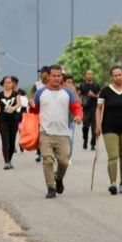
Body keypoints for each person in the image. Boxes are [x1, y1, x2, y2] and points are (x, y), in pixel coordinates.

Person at [33, 65, 83, 199]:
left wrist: (78, 116)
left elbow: (76, 106)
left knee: (64, 162)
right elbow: (34, 111)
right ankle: (50, 187)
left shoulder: (67, 92)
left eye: (58, 76)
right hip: (45, 132)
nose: (56, 78)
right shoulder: (40, 93)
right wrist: (31, 107)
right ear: (48, 76)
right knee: (47, 160)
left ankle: (58, 177)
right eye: (53, 76)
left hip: (63, 133)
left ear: (62, 77)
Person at [96, 66, 122, 195]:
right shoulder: (105, 91)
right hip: (109, 127)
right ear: (111, 77)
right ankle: (113, 183)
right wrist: (98, 125)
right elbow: (98, 109)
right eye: (115, 75)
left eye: (120, 75)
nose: (118, 77)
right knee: (113, 155)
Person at [0, 76, 23, 170]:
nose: (8, 84)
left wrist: (13, 108)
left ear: (12, 84)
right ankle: (6, 162)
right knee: (5, 141)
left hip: (14, 119)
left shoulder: (16, 93)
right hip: (3, 120)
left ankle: (9, 160)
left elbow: (19, 103)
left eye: (10, 82)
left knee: (12, 142)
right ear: (3, 84)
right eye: (6, 82)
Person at [78, 69, 101, 150]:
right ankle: (85, 140)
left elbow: (100, 96)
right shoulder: (82, 85)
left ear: (93, 75)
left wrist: (94, 95)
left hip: (94, 109)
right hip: (85, 109)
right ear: (85, 75)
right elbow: (78, 95)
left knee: (94, 127)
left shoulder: (96, 85)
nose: (89, 75)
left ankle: (93, 144)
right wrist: (80, 99)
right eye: (88, 74)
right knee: (85, 127)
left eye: (91, 74)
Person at [32, 66, 50, 162]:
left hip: (51, 112)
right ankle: (38, 152)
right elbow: (33, 97)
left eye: (42, 72)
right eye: (40, 72)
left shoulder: (52, 84)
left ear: (47, 73)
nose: (41, 74)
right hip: (39, 112)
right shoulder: (37, 84)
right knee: (40, 133)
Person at [63, 73, 78, 159]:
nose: (70, 85)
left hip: (71, 119)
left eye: (71, 83)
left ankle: (68, 156)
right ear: (64, 83)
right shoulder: (61, 91)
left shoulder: (73, 92)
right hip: (61, 121)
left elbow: (79, 103)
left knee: (71, 139)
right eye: (68, 82)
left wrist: (75, 92)